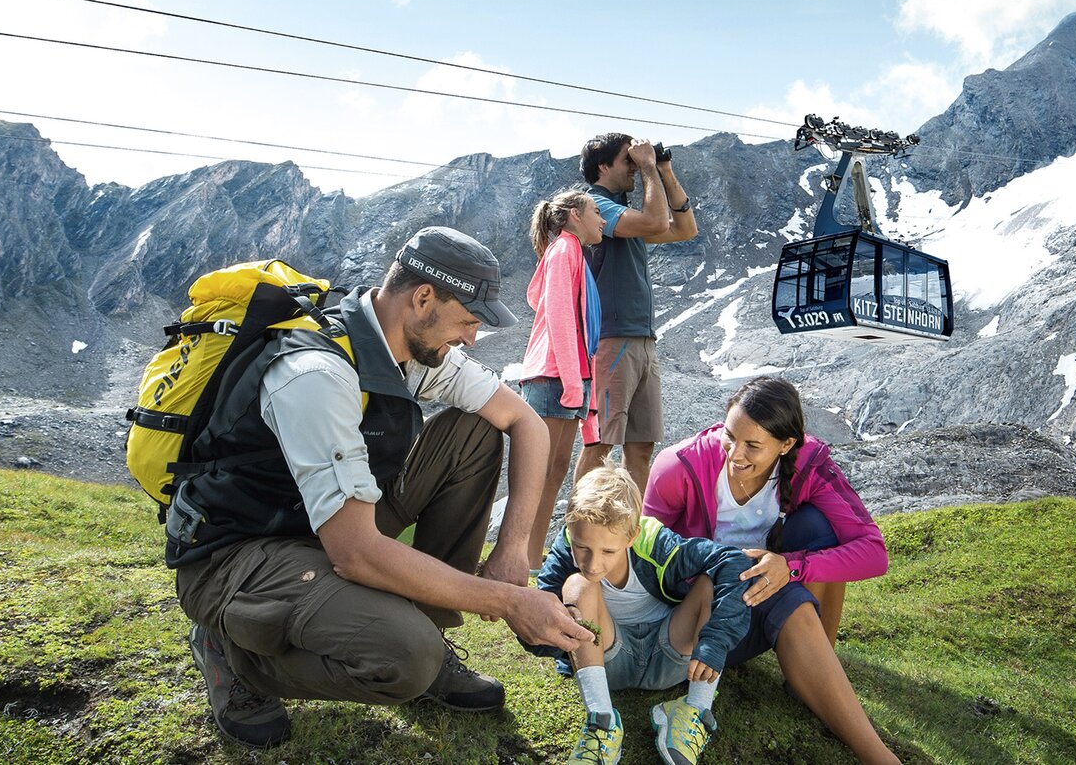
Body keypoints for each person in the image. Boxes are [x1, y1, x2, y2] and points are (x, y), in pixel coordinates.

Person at [165, 226, 592, 749]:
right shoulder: (316, 372)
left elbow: (523, 421)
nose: (470, 339)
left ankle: (430, 632)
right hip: (239, 551)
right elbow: (356, 556)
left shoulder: (405, 349)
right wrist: (507, 602)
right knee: (405, 659)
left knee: (479, 430)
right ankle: (233, 655)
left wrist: (510, 551)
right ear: (423, 298)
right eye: (467, 321)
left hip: (323, 526)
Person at [643, 377, 898, 764]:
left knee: (818, 530)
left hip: (764, 589)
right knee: (777, 589)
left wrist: (792, 567)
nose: (735, 453)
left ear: (786, 445)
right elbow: (644, 553)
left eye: (752, 445)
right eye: (730, 436)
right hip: (697, 612)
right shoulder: (678, 467)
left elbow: (873, 552)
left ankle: (818, 673)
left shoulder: (810, 463)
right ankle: (872, 748)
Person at [532, 468, 752, 765]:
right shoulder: (563, 549)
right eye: (582, 547)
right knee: (577, 584)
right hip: (606, 659)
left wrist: (714, 643)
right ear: (570, 529)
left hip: (670, 655)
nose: (593, 563)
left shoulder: (655, 541)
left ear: (632, 536)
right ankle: (602, 721)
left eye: (608, 551)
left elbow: (733, 561)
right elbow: (537, 627)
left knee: (709, 583)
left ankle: (695, 708)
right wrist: (559, 623)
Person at [574, 133, 699, 494]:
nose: (632, 168)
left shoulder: (624, 210)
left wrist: (665, 171)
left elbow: (685, 229)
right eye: (626, 161)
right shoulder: (596, 206)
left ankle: (631, 533)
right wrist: (647, 169)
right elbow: (656, 223)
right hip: (613, 339)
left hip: (643, 339)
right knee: (600, 444)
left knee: (641, 446)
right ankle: (577, 533)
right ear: (603, 166)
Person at [515, 188, 606, 567]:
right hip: (553, 377)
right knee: (539, 476)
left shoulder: (574, 253)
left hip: (568, 379)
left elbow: (583, 330)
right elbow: (559, 317)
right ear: (574, 215)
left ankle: (531, 561)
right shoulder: (565, 250)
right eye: (595, 211)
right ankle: (519, 558)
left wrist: (586, 398)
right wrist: (572, 384)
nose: (602, 220)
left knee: (553, 474)